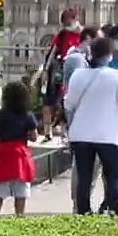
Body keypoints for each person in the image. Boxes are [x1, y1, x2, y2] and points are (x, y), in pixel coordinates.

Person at [64, 37, 118, 215]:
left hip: (81, 134)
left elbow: (68, 104)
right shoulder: (115, 76)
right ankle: (114, 209)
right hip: (108, 135)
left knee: (84, 177)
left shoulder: (78, 75)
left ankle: (83, 212)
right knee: (111, 176)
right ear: (108, 55)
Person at [0, 81, 39, 217]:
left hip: (3, 152)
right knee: (21, 189)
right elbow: (34, 136)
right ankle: (19, 216)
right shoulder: (28, 115)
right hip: (20, 154)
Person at [35, 8, 84, 141]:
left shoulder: (84, 36)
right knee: (49, 101)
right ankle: (47, 132)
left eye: (68, 23)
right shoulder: (62, 35)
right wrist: (45, 70)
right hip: (59, 71)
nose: (67, 27)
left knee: (66, 103)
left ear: (76, 20)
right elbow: (52, 53)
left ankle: (65, 132)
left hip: (76, 73)